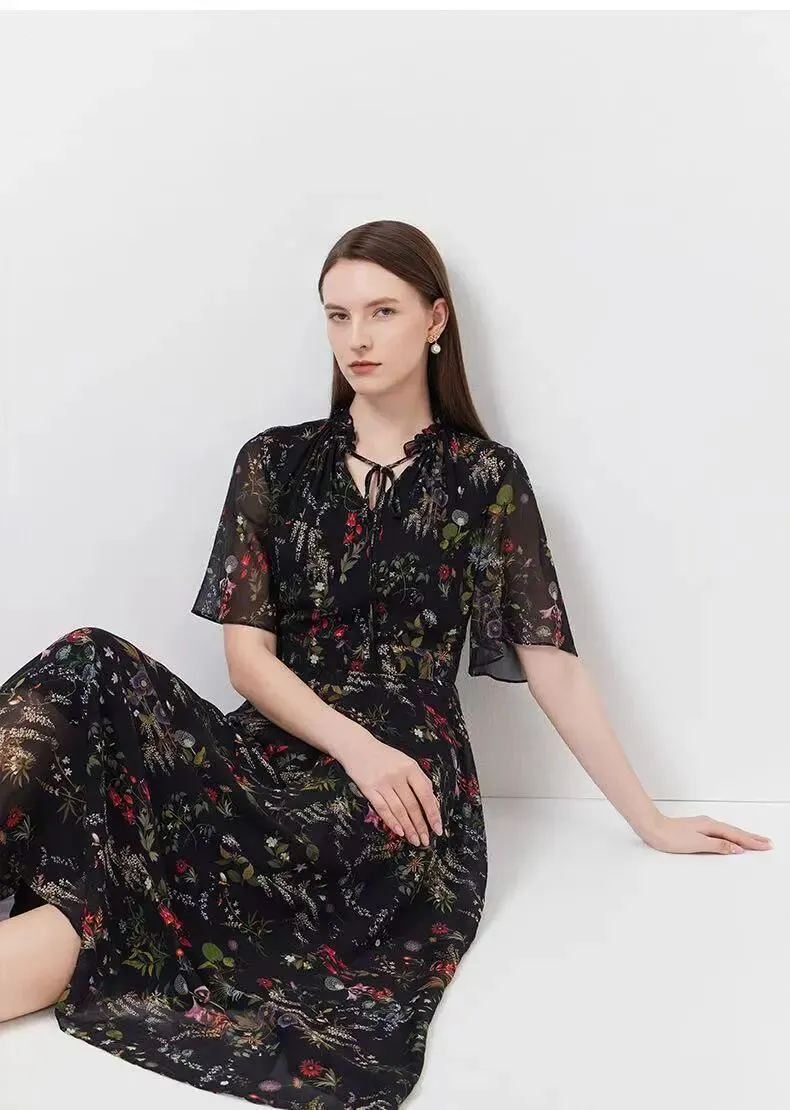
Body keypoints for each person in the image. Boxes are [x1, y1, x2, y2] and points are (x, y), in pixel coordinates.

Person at [0, 219, 772, 1108]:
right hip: (274, 746)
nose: (357, 337)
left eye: (382, 311)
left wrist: (652, 820)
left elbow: (552, 663)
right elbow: (247, 662)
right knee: (88, 661)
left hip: (396, 790)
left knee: (141, 898)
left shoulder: (485, 477)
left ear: (435, 319)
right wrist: (349, 742)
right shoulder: (276, 461)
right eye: (338, 316)